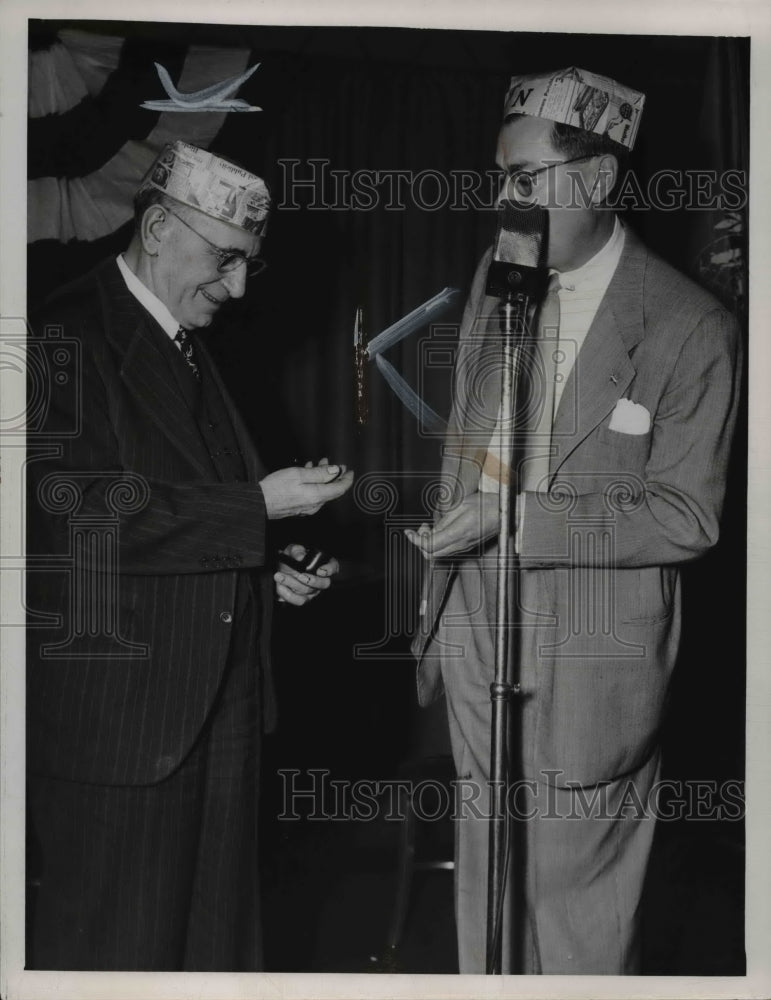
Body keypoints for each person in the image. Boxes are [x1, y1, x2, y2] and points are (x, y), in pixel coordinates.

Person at [406, 68, 742, 974]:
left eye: (522, 180)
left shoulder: (689, 326)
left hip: (593, 650)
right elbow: (469, 431)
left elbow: (686, 517)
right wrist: (444, 564)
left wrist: (511, 518)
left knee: (574, 909)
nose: (501, 201)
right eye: (498, 176)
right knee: (485, 889)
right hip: (478, 619)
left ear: (594, 182)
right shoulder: (499, 269)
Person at [25, 140, 354, 971]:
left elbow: (178, 505)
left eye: (250, 265)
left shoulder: (187, 341)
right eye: (224, 259)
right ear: (160, 228)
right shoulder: (62, 332)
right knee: (115, 956)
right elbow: (73, 513)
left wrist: (262, 566)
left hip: (219, 718)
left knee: (212, 957)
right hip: (124, 732)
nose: (238, 287)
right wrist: (258, 505)